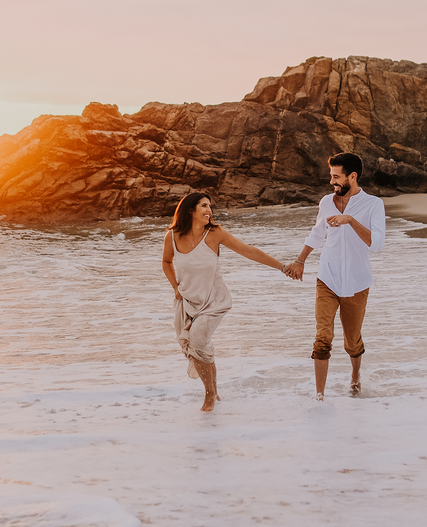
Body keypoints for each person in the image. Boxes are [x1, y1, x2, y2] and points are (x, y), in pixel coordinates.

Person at [162, 192, 290, 412]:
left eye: (210, 206)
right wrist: (175, 287)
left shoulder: (215, 234)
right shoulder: (172, 236)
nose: (209, 210)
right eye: (204, 205)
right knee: (196, 347)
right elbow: (166, 261)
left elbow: (248, 251)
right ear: (190, 210)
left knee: (197, 339)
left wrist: (282, 267)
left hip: (213, 301)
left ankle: (210, 396)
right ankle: (213, 391)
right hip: (187, 302)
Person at [283, 152, 386, 400]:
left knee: (352, 342)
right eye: (331, 176)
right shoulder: (326, 202)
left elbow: (377, 244)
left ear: (352, 176)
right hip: (327, 278)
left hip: (357, 283)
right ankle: (319, 397)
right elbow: (318, 234)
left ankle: (355, 377)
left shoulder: (373, 205)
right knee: (323, 337)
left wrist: (350, 220)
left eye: (337, 177)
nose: (332, 182)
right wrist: (300, 260)